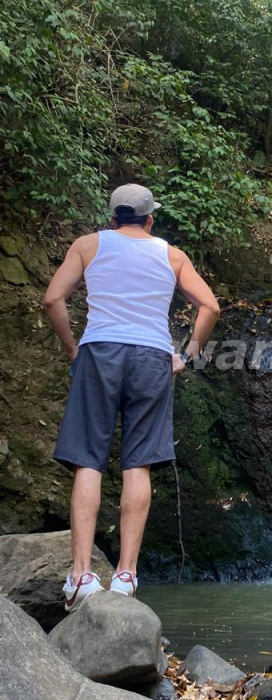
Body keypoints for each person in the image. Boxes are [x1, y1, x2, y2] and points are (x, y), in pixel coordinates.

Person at [43, 184, 220, 612]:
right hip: (152, 358)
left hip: (99, 352)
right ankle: (125, 576)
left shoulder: (88, 245)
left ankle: (81, 577)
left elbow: (52, 298)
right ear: (150, 218)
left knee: (88, 459)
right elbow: (210, 307)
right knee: (137, 462)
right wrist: (187, 356)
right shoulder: (172, 255)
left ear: (113, 218)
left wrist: (73, 349)